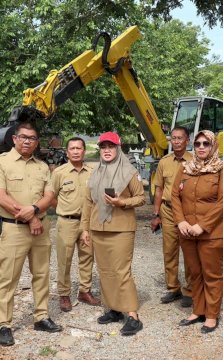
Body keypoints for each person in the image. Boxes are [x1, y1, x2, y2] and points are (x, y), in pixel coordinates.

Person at [0, 122, 62, 347]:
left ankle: (41, 316)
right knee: (8, 278)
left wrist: (37, 213)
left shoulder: (42, 166)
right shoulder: (0, 162)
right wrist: (31, 218)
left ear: (36, 142)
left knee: (41, 274)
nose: (27, 141)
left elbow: (49, 195)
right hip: (13, 229)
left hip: (40, 229)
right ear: (14, 139)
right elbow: (0, 197)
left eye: (32, 138)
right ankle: (5, 325)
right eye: (23, 137)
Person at [80, 132, 146, 336]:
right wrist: (84, 228)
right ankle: (115, 309)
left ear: (118, 148)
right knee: (105, 271)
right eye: (103, 147)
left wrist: (122, 202)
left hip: (121, 229)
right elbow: (88, 202)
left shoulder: (129, 171)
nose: (107, 150)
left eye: (111, 146)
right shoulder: (96, 172)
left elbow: (141, 198)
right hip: (98, 229)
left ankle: (133, 316)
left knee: (121, 271)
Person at [171, 130, 223, 334]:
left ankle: (212, 315)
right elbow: (174, 196)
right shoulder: (185, 168)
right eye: (197, 143)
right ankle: (198, 310)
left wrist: (203, 225)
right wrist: (180, 221)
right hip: (187, 232)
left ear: (213, 146)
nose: (201, 147)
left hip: (212, 233)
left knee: (212, 274)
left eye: (206, 143)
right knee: (194, 273)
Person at [50, 137, 100, 312]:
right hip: (67, 222)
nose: (76, 151)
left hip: (87, 223)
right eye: (72, 148)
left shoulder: (94, 171)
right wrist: (64, 209)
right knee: (64, 260)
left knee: (87, 257)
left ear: (84, 151)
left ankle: (84, 291)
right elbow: (50, 197)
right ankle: (64, 295)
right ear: (67, 152)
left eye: (79, 148)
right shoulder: (59, 172)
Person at [150, 126, 193, 307]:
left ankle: (190, 290)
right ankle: (173, 288)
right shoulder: (164, 162)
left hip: (188, 211)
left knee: (189, 251)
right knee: (169, 251)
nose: (176, 141)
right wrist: (156, 214)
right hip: (167, 211)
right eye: (173, 138)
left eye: (180, 138)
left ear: (187, 140)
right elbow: (158, 189)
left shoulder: (195, 161)